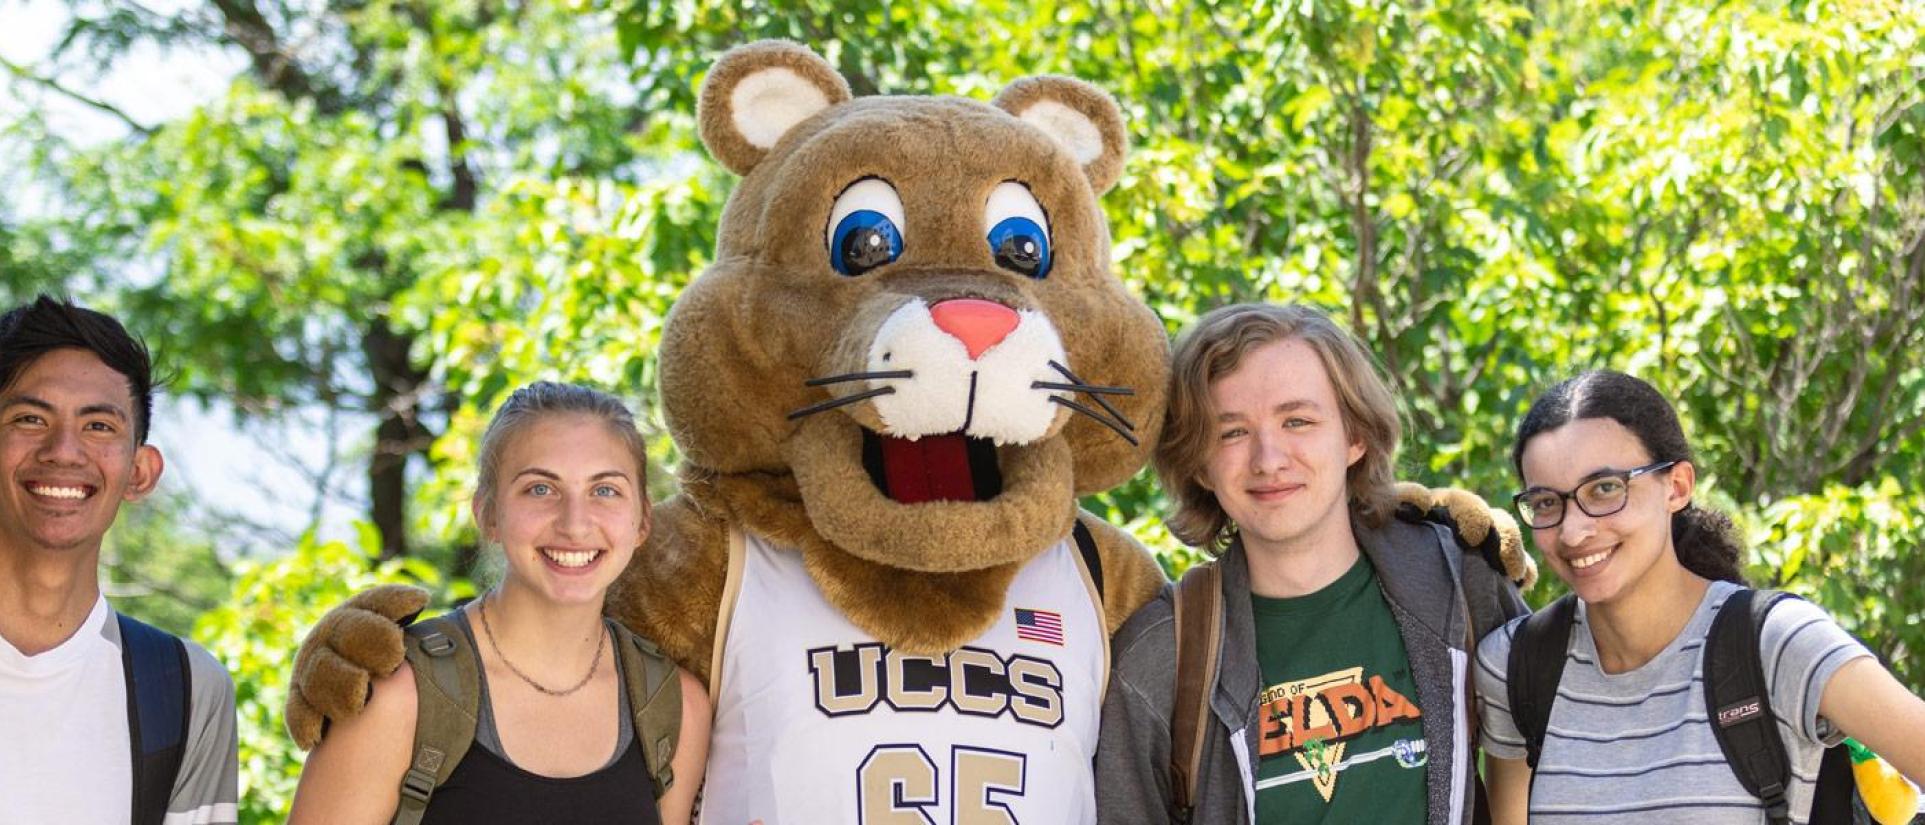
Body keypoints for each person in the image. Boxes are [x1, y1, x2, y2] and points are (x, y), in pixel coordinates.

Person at [1096, 302, 1528, 824]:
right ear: (1200, 465)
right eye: (1232, 432)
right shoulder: (1162, 657)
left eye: (1297, 420)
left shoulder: (1456, 581)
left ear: (1354, 436)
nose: (1269, 459)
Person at [1476, 370, 1925, 824]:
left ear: (1677, 487)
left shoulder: (1779, 643)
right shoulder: (1518, 666)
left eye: (1605, 489)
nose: (1574, 530)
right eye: (1548, 502)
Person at [287, 382, 709, 824]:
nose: (575, 523)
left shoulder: (675, 710)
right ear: (488, 514)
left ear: (642, 520)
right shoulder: (399, 696)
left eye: (605, 490)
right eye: (540, 489)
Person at [0, 295, 239, 825]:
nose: (64, 450)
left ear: (140, 472)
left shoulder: (184, 689)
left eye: (98, 426)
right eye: (30, 418)